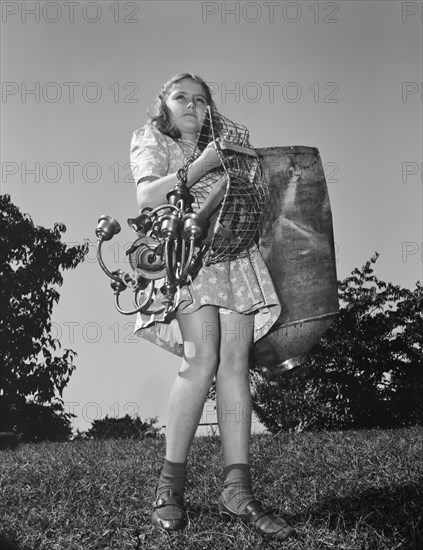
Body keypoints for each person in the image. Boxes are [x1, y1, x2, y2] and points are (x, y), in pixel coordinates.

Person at [130, 73, 296, 541]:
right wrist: (203, 164)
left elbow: (252, 201)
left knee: (236, 364)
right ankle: (170, 487)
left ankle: (237, 489)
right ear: (163, 103)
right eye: (181, 96)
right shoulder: (153, 139)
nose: (192, 105)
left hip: (233, 257)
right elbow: (146, 197)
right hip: (186, 252)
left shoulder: (227, 150)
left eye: (201, 100)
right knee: (200, 358)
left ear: (209, 110)